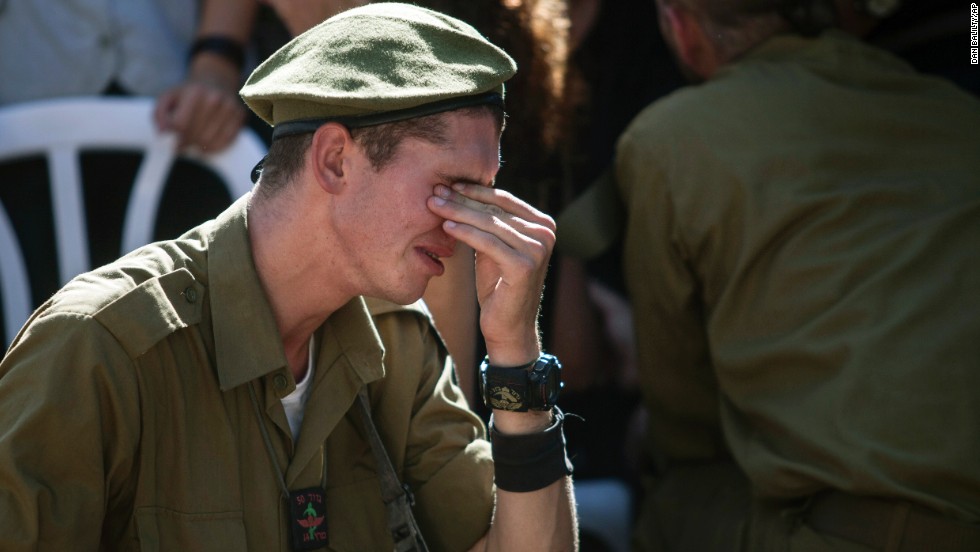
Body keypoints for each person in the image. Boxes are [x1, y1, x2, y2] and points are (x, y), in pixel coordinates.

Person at [0, 4, 577, 550]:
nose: (464, 226)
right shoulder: (101, 349)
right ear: (334, 160)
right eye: (451, 187)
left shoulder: (398, 342)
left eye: (482, 193)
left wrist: (517, 358)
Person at [560, 0, 980, 549]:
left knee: (670, 491)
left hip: (859, 531)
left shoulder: (668, 139)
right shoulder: (958, 111)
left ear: (681, 30)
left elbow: (685, 425)